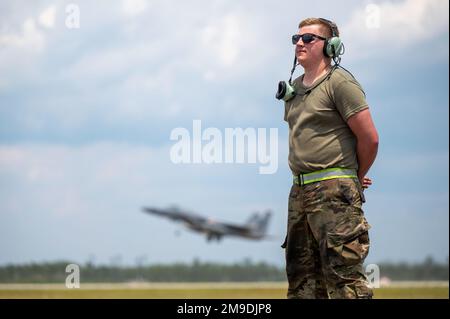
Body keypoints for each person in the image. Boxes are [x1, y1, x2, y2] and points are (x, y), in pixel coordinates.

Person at [280, 17, 379, 299]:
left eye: (309, 38)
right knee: (302, 281)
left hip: (335, 192)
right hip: (299, 191)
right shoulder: (294, 88)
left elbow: (370, 138)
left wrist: (354, 177)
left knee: (344, 280)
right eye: (296, 38)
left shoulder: (340, 82)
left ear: (331, 46)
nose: (300, 43)